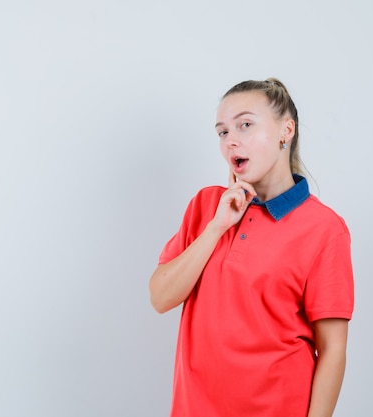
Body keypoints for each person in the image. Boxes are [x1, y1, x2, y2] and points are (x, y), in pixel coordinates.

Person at [149, 78, 354, 417]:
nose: (231, 141)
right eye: (223, 132)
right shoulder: (205, 207)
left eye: (245, 125)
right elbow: (161, 297)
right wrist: (218, 226)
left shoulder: (325, 230)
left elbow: (333, 349)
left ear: (285, 131)